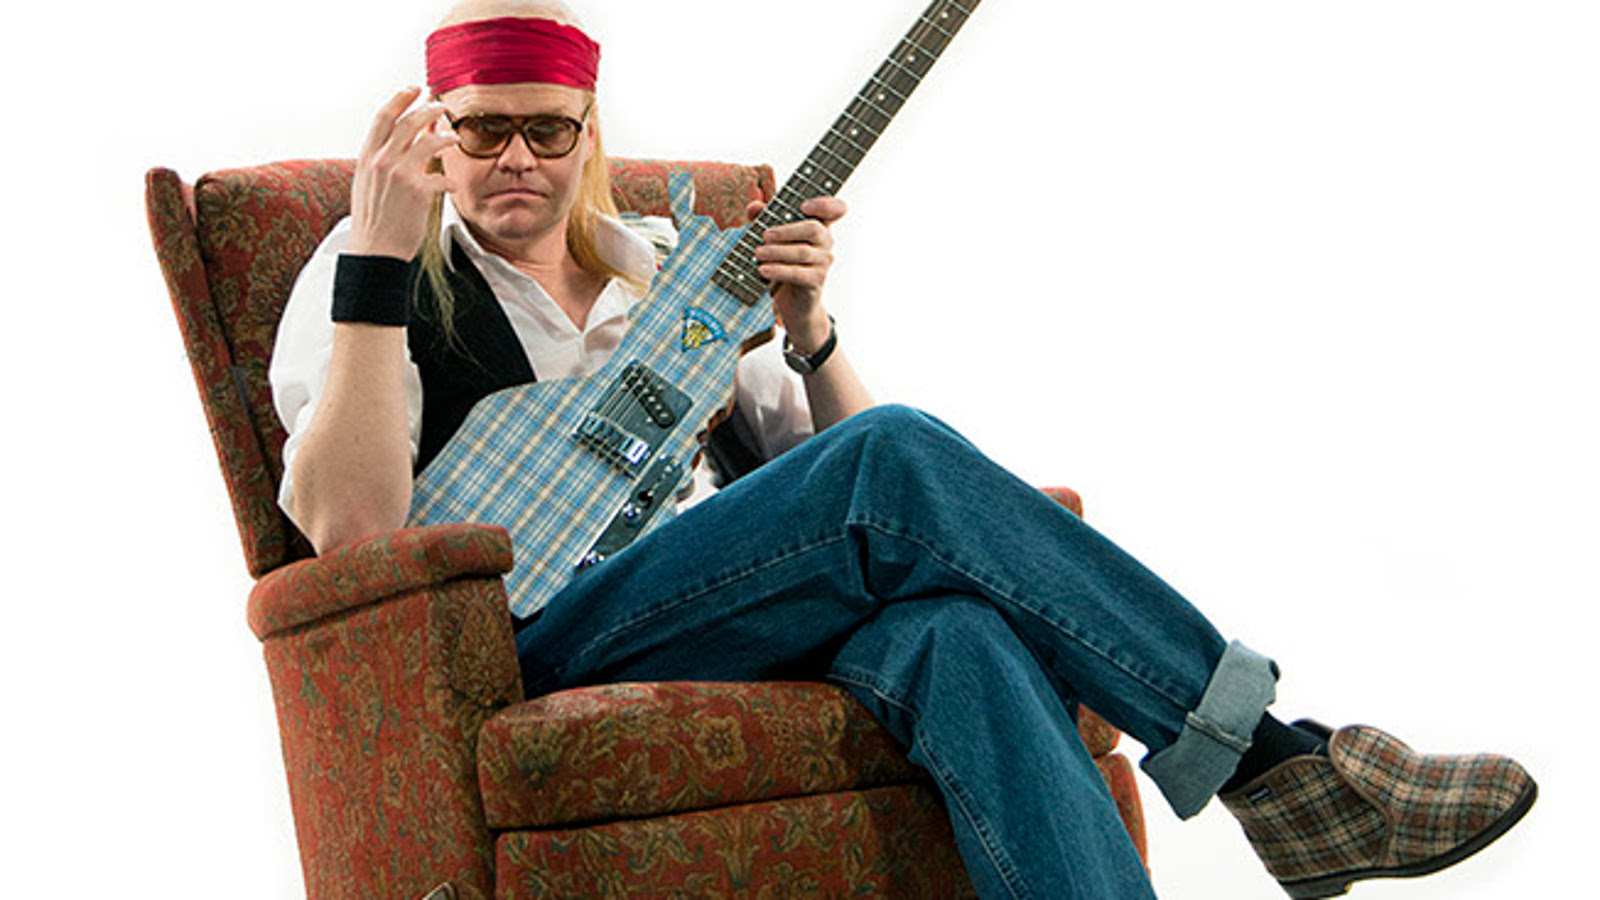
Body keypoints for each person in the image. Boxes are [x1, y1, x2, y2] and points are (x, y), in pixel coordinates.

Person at [269, 1, 1537, 897]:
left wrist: (809, 332)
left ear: (588, 133)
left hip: (734, 602)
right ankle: (1275, 763)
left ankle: (1276, 791)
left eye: (548, 130)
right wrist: (380, 254)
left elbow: (834, 475)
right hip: (539, 627)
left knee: (957, 635)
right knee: (892, 461)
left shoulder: (667, 267)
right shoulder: (369, 268)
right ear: (434, 133)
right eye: (483, 130)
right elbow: (351, 533)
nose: (516, 158)